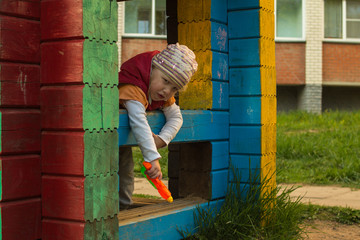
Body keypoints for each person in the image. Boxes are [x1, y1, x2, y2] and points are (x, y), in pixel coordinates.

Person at [118, 43, 198, 210]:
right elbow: (139, 121)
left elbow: (176, 116)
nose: (166, 91)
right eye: (166, 81)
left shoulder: (161, 92)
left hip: (120, 142)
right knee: (110, 172)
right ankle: (115, 208)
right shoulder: (133, 87)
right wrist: (152, 159)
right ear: (152, 69)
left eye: (174, 88)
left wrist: (162, 139)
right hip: (102, 135)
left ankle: (123, 207)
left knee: (125, 171)